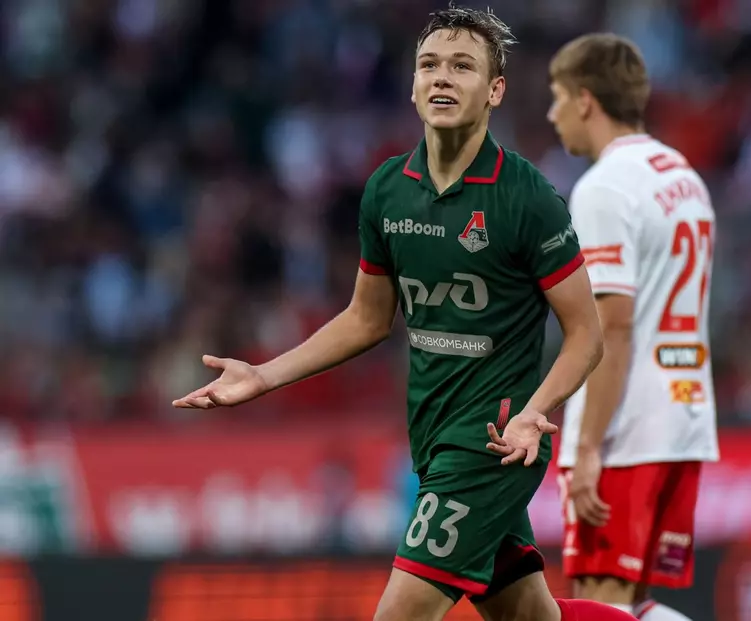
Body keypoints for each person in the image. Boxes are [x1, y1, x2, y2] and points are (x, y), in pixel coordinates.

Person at [172, 6, 636, 621]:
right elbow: (367, 319)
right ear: (413, 86)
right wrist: (263, 375)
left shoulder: (527, 198)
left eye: (462, 66)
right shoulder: (387, 190)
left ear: (495, 90)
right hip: (431, 441)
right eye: (429, 65)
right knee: (529, 616)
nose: (442, 76)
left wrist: (534, 412)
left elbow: (586, 336)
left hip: (494, 443)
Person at [546, 33, 719, 621]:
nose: (552, 115)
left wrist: (589, 446)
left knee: (598, 602)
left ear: (585, 100)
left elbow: (613, 328)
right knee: (634, 604)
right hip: (684, 419)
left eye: (557, 98)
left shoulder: (604, 187)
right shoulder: (684, 176)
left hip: (626, 432)